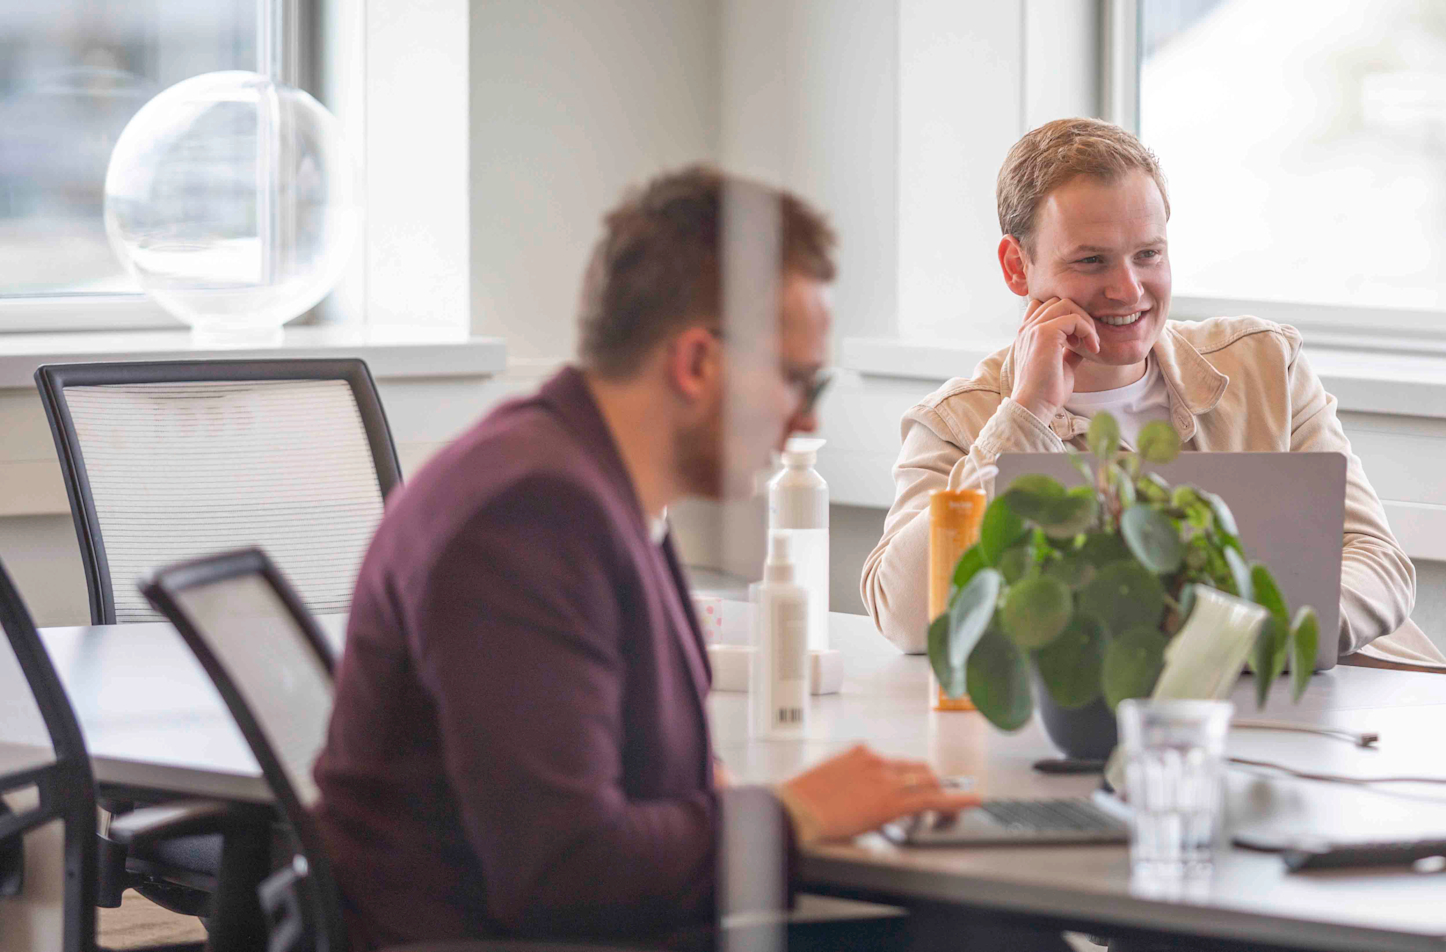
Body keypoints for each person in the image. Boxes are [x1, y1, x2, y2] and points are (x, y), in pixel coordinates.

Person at [312, 167, 982, 950]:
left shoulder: (589, 479)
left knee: (980, 930)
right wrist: (797, 812)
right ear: (697, 363)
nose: (803, 419)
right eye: (797, 379)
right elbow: (563, 874)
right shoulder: (529, 516)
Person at [861, 118, 1446, 670]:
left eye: (1149, 254)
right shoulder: (957, 422)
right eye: (1091, 261)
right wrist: (1024, 416)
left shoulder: (1265, 365)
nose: (1128, 288)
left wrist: (1245, 645)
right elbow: (908, 616)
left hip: (1338, 703)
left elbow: (1377, 561)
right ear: (1017, 267)